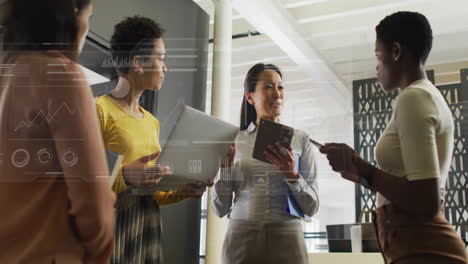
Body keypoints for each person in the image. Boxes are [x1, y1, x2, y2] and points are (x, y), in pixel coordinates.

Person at [320, 11, 467, 264]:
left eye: (379, 55)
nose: (377, 66)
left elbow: (425, 199)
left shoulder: (413, 98)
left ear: (396, 51)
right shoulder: (425, 96)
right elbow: (409, 183)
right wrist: (362, 174)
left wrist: (363, 168)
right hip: (415, 245)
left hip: (424, 247)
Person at [0, 0, 116, 263]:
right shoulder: (60, 75)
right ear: (72, 17)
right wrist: (98, 247)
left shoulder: (7, 75)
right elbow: (94, 208)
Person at [97, 16, 211, 264]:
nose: (165, 67)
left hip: (147, 224)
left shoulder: (151, 121)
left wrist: (183, 191)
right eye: (161, 58)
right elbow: (76, 181)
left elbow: (154, 192)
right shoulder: (97, 111)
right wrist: (125, 176)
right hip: (108, 228)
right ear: (138, 63)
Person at [210, 63, 319, 264]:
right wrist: (225, 170)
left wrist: (292, 176)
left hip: (287, 238)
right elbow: (220, 209)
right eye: (268, 87)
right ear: (250, 97)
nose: (277, 93)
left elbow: (312, 207)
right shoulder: (234, 140)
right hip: (242, 237)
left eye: (280, 87)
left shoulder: (300, 139)